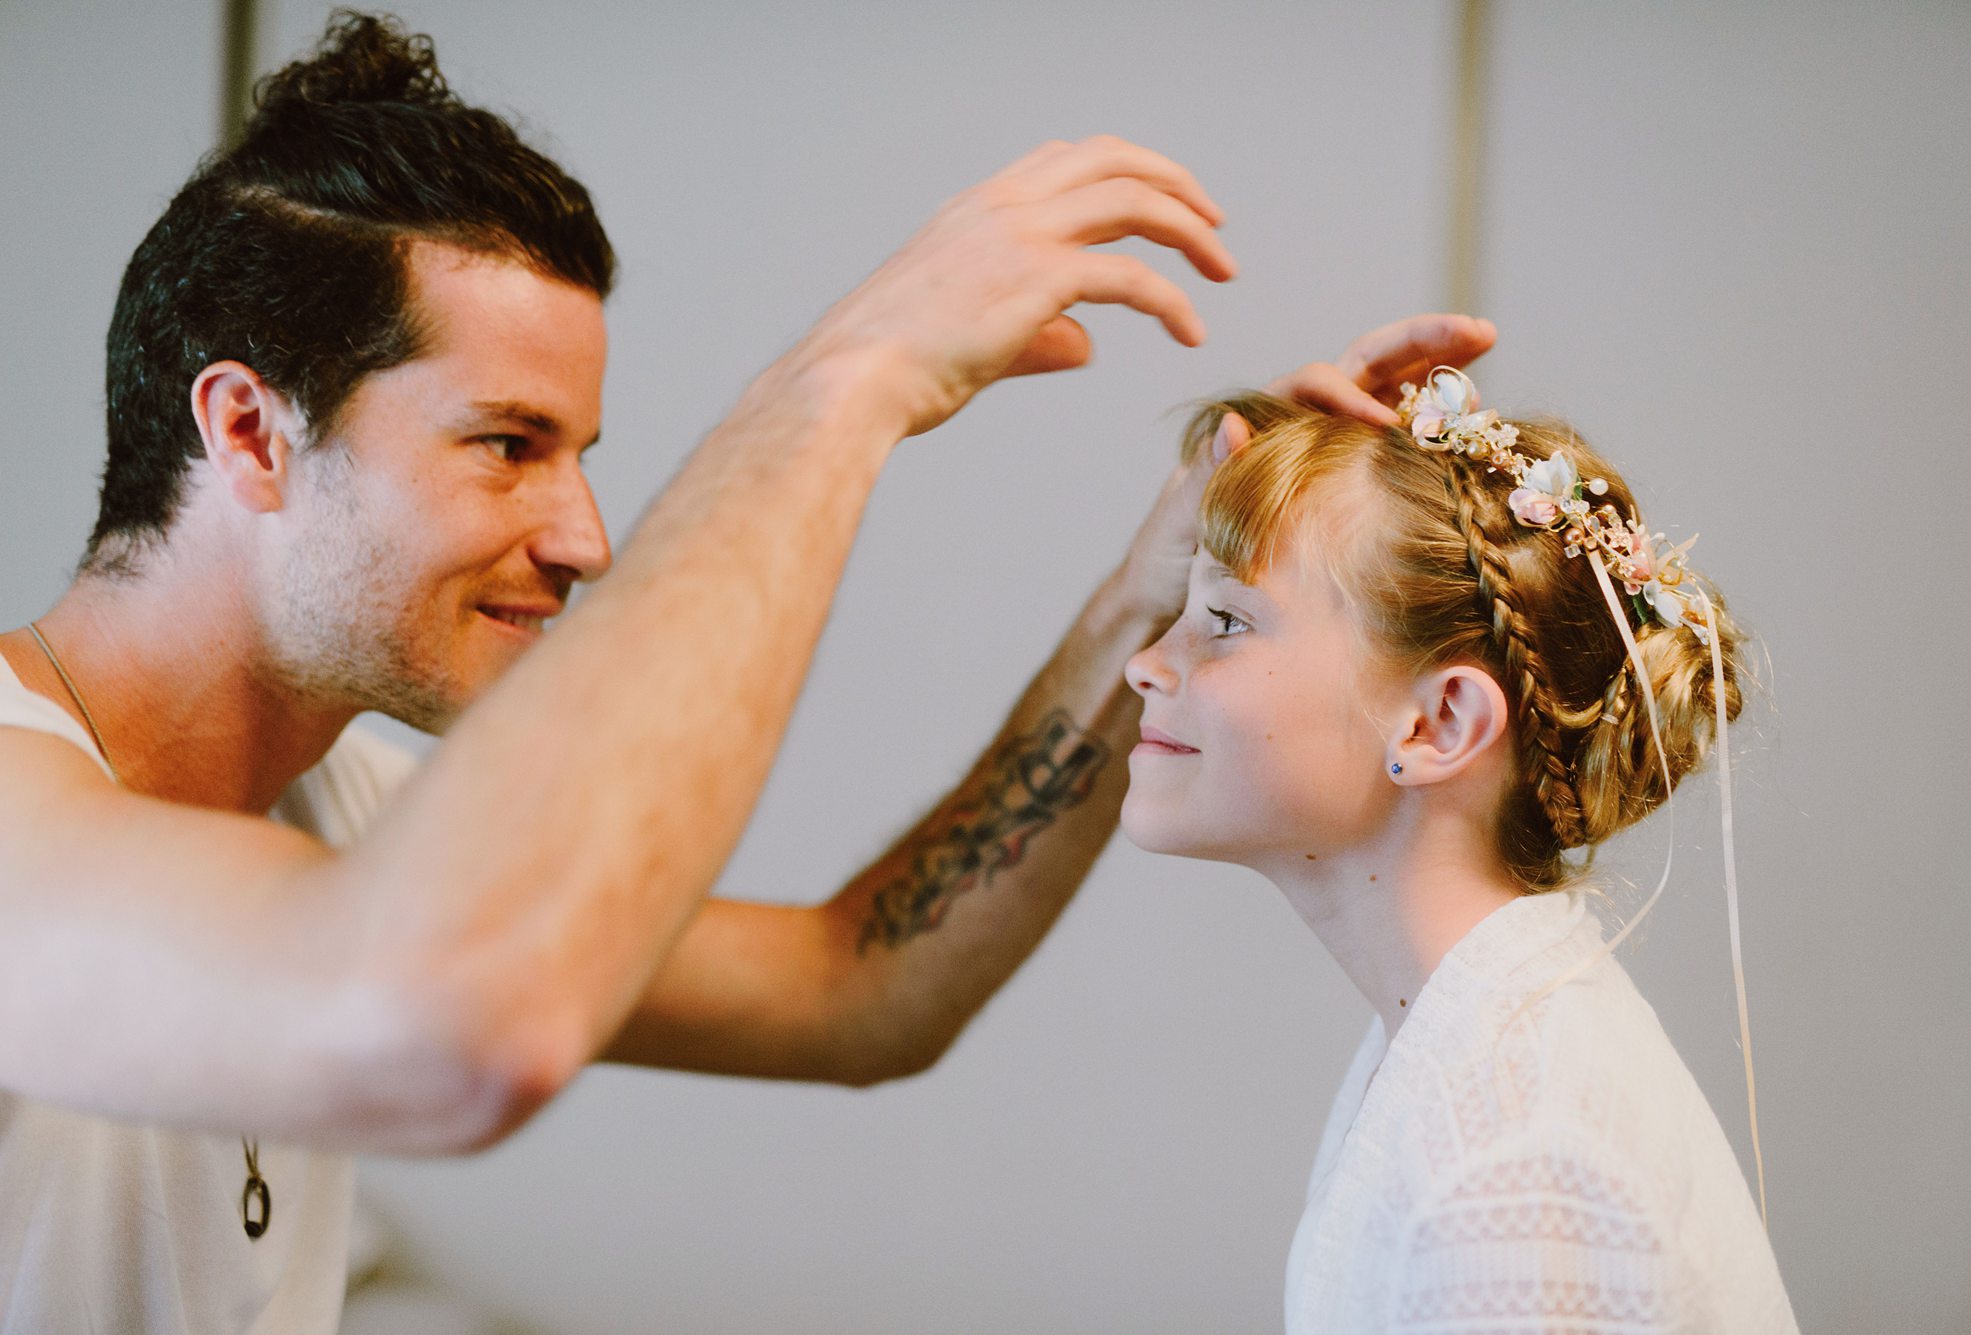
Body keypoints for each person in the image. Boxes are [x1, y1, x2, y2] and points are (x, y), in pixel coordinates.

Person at [0, 11, 1494, 1329]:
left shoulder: (345, 813)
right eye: (506, 444)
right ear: (251, 431)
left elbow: (862, 990)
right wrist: (842, 387)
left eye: (581, 455)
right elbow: (453, 1020)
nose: (584, 534)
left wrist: (1152, 596)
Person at [1120, 369, 1800, 1332]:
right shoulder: (1471, 1049)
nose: (1144, 662)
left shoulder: (1511, 1166)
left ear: (1438, 723)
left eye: (1226, 620)